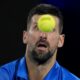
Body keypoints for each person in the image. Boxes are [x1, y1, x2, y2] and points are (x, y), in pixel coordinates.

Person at [0, 3, 80, 80]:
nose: (43, 35)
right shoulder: (3, 75)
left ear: (61, 40)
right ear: (25, 36)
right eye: (37, 28)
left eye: (50, 29)